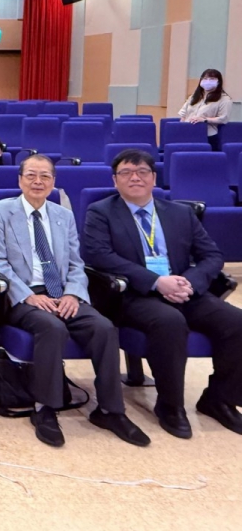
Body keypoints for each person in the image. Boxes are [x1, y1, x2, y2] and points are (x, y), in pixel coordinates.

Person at [0, 154, 149, 448]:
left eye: (45, 176)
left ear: (54, 182)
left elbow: (75, 263)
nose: (38, 181)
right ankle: (45, 408)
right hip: (21, 295)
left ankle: (110, 410)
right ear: (20, 180)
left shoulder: (63, 215)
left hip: (62, 292)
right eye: (31, 175)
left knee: (104, 328)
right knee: (52, 327)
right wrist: (29, 295)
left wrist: (73, 293)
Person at [83, 148, 242, 438]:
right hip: (133, 294)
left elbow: (212, 256)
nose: (135, 178)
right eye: (126, 173)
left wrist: (189, 282)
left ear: (154, 178)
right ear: (115, 180)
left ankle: (219, 399)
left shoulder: (180, 213)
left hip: (184, 290)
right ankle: (170, 406)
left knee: (236, 322)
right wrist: (157, 282)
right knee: (170, 322)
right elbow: (99, 256)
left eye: (142, 172)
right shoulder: (101, 212)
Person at [178, 68, 231, 146]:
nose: (208, 81)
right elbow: (183, 114)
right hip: (188, 132)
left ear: (218, 81)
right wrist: (181, 128)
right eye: (205, 78)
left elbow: (223, 118)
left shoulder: (224, 99)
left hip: (207, 135)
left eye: (212, 79)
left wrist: (204, 120)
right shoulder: (194, 96)